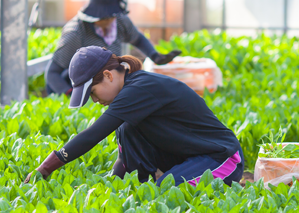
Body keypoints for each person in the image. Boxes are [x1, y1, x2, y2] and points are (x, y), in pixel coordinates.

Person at [24, 46, 245, 187]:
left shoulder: (141, 88)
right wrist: (112, 186)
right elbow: (124, 156)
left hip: (221, 158)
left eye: (92, 92)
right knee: (126, 128)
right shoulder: (129, 93)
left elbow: (93, 135)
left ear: (109, 75)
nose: (94, 100)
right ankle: (150, 180)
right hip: (188, 156)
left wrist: (45, 168)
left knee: (164, 192)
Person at [45, 0, 182, 96]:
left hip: (106, 85)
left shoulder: (119, 21)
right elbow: (52, 73)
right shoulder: (75, 33)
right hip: (78, 87)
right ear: (94, 17)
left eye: (112, 16)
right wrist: (71, 95)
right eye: (106, 18)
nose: (110, 20)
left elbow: (137, 38)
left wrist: (155, 56)